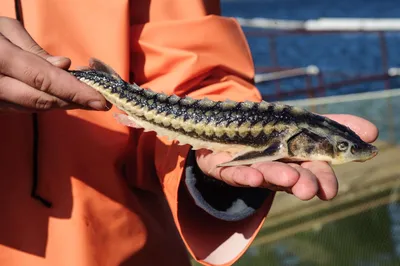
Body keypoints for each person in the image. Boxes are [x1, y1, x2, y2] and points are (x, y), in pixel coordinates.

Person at [0, 1, 378, 265]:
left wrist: (206, 171)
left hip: (121, 247)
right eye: (342, 147)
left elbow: (192, 70)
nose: (348, 152)